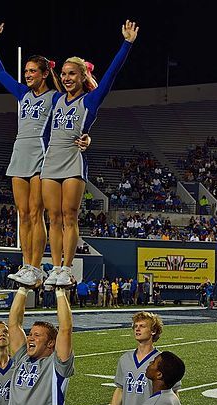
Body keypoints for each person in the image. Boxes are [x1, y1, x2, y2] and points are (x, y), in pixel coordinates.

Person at [0, 23, 90, 288]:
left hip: (42, 155)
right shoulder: (22, 94)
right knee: (23, 213)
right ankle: (27, 265)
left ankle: (36, 265)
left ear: (45, 74)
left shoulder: (57, 97)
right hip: (19, 151)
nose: (27, 75)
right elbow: (0, 73)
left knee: (37, 212)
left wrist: (87, 136)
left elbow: (78, 114)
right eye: (26, 71)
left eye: (33, 71)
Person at [42, 20, 139, 287]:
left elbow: (111, 74)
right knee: (53, 217)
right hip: (51, 160)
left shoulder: (90, 100)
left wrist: (127, 43)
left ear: (82, 76)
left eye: (72, 73)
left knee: (69, 215)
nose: (66, 78)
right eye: (63, 73)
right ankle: (54, 264)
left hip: (73, 160)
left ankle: (66, 267)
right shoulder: (56, 99)